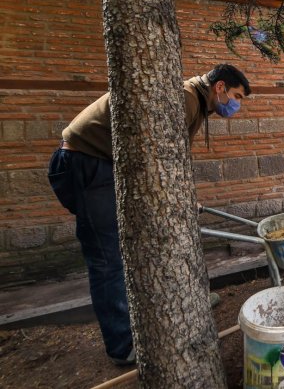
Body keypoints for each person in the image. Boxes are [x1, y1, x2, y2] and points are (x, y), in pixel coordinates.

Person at [47, 64, 250, 365]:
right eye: (236, 96)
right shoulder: (184, 97)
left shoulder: (194, 100)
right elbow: (158, 154)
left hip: (106, 164)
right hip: (86, 163)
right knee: (107, 258)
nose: (237, 105)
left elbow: (172, 156)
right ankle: (123, 345)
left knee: (151, 242)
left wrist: (181, 196)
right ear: (220, 87)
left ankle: (185, 303)